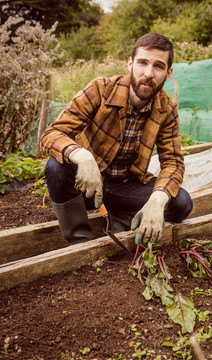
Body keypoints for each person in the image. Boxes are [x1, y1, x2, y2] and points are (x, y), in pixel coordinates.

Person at [41, 33, 193, 245]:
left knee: (182, 202)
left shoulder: (166, 108)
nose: (148, 73)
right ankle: (79, 241)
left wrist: (158, 200)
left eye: (158, 66)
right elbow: (51, 135)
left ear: (168, 73)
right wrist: (82, 156)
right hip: (86, 185)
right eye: (142, 63)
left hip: (124, 186)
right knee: (55, 168)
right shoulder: (101, 89)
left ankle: (123, 220)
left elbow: (174, 162)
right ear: (130, 63)